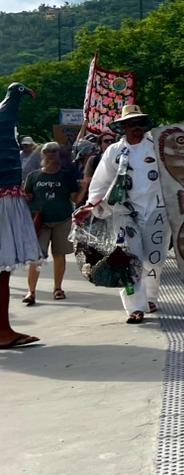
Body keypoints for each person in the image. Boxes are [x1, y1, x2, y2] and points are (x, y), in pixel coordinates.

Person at [74, 104, 170, 325]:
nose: (136, 127)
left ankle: (150, 297)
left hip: (157, 210)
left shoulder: (158, 147)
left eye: (139, 123)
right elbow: (101, 181)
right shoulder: (114, 151)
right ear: (123, 127)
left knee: (154, 260)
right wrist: (90, 205)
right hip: (124, 212)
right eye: (131, 123)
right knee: (128, 259)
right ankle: (135, 307)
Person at [1, 83, 41, 348]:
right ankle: (2, 332)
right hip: (3, 200)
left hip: (6, 198)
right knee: (1, 272)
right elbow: (10, 103)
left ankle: (3, 329)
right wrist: (18, 92)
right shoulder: (3, 116)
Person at [23, 142, 80, 304]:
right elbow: (26, 195)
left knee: (59, 255)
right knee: (37, 258)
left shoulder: (66, 175)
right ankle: (31, 292)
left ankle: (57, 288)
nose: (50, 154)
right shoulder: (33, 176)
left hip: (62, 220)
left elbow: (75, 199)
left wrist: (84, 187)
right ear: (42, 154)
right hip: (41, 222)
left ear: (59, 154)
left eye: (54, 151)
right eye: (47, 151)